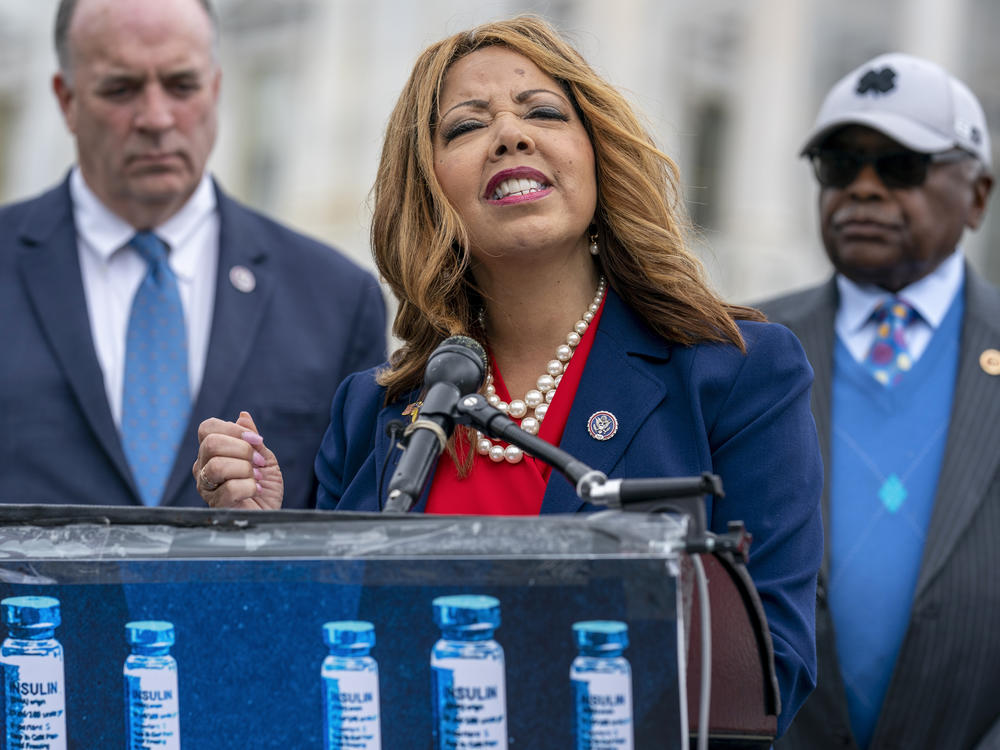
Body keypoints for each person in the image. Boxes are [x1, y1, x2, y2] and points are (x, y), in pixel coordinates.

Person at [194, 16, 822, 735]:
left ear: (596, 155)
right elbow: (326, 673)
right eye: (466, 126)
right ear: (429, 188)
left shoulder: (738, 373)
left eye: (544, 112)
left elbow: (774, 672)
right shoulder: (374, 411)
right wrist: (271, 540)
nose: (511, 135)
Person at [0, 0, 386, 509]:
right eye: (121, 88)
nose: (157, 118)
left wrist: (265, 535)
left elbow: (357, 541)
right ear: (66, 99)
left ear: (217, 88)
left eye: (182, 85)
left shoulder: (336, 298)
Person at [758, 53, 1000, 749]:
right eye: (838, 164)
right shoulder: (739, 349)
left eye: (900, 166)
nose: (862, 189)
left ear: (978, 196)